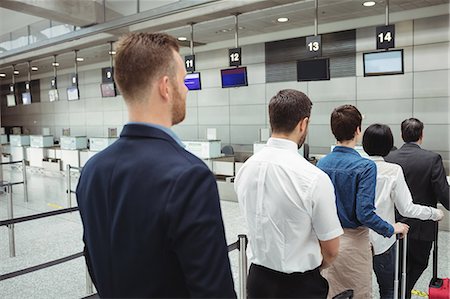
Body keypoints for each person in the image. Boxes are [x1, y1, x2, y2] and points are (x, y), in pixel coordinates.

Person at [76, 32, 236, 298]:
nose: (186, 89)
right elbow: (213, 290)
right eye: (183, 80)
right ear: (165, 87)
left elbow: (92, 258)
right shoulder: (189, 176)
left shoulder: (92, 170)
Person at [235, 89, 343, 298]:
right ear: (303, 124)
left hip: (257, 281)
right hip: (299, 285)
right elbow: (331, 250)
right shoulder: (313, 178)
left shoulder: (246, 169)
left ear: (272, 121)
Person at [316, 105, 409, 299]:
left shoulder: (322, 163)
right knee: (357, 293)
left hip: (326, 241)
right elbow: (364, 213)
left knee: (331, 292)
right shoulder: (365, 166)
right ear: (358, 130)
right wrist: (391, 228)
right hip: (354, 245)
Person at [362, 123, 443, 299]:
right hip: (391, 233)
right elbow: (408, 207)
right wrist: (434, 213)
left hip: (360, 235)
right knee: (392, 284)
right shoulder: (399, 168)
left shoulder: (362, 165)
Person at [385, 118, 449, 299]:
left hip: (394, 225)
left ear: (401, 135)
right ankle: (404, 292)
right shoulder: (432, 159)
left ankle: (400, 292)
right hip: (422, 227)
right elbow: (444, 194)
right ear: (421, 135)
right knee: (419, 264)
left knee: (397, 267)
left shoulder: (389, 158)